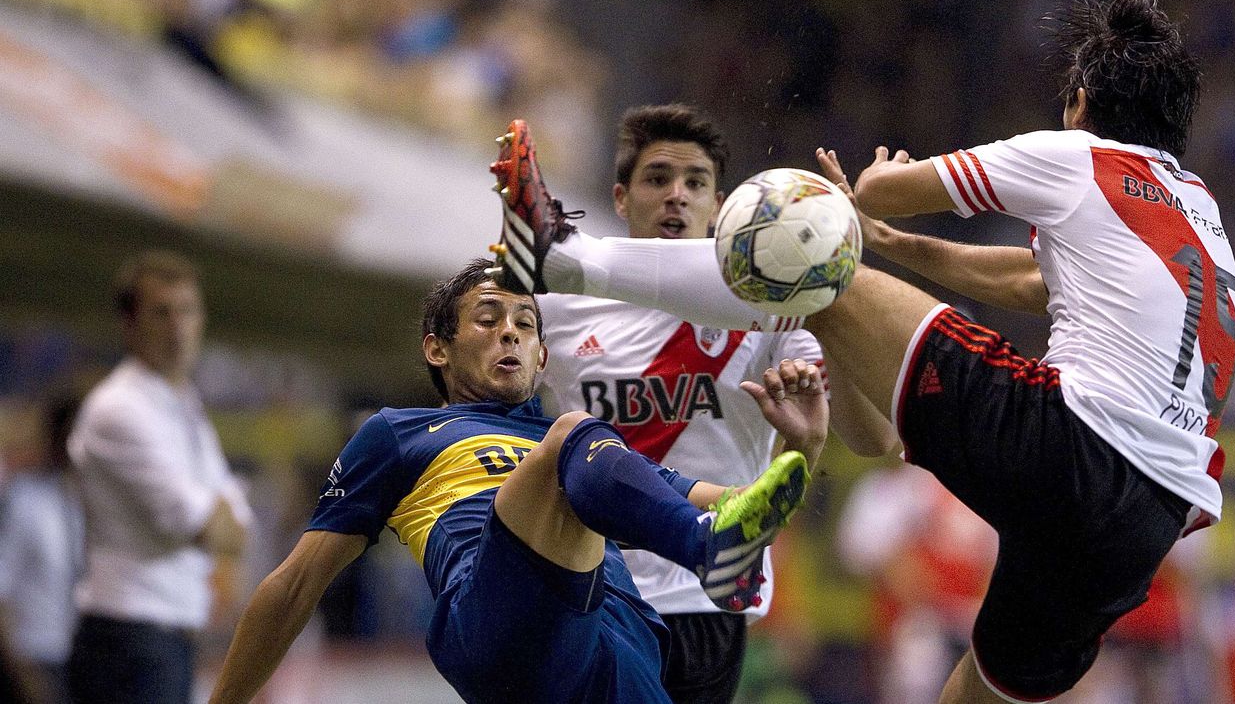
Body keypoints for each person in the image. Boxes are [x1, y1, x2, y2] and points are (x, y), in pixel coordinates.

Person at [487, 0, 1235, 702]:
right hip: (1148, 522)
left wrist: (875, 192)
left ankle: (559, 255)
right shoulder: (1198, 214)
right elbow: (1028, 278)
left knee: (810, 257)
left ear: (1080, 100)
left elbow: (886, 190)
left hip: (1073, 443)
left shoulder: (1078, 157)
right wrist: (896, 246)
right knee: (984, 689)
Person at [206, 258, 825, 703]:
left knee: (584, 447)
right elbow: (295, 585)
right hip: (494, 622)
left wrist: (801, 446)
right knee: (575, 438)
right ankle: (704, 546)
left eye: (526, 324)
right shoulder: (401, 432)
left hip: (615, 643)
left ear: (542, 356)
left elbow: (742, 506)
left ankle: (708, 543)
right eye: (487, 319)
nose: (511, 332)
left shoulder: (588, 453)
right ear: (437, 349)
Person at [528, 103, 897, 702]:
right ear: (621, 199)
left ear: (724, 207)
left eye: (695, 182)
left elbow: (876, 439)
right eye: (657, 179)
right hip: (589, 589)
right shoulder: (557, 310)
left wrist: (835, 294)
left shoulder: (772, 315)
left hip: (704, 596)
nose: (677, 195)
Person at [66, 250, 251, 704]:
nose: (177, 327)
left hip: (163, 637)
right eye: (161, 312)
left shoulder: (182, 404)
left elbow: (239, 527)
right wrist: (219, 515)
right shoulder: (120, 410)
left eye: (187, 310)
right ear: (129, 324)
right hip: (129, 636)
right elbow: (203, 525)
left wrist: (221, 517)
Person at [0, 395, 84, 704]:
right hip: (32, 661)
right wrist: (24, 673)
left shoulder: (90, 510)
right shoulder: (26, 501)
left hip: (81, 660)